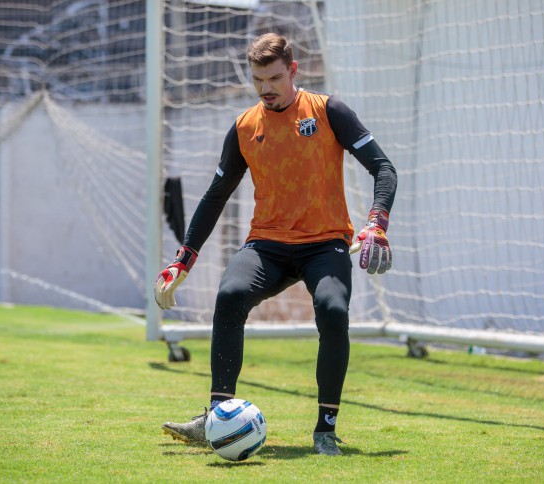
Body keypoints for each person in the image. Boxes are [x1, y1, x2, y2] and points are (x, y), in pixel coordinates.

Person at [156, 33, 397, 456]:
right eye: (257, 80)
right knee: (230, 295)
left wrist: (376, 221)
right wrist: (182, 261)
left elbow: (384, 168)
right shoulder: (246, 126)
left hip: (325, 244)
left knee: (334, 309)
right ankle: (216, 419)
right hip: (267, 245)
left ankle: (325, 429)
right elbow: (215, 197)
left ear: (293, 71)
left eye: (273, 78)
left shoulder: (329, 111)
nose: (266, 88)